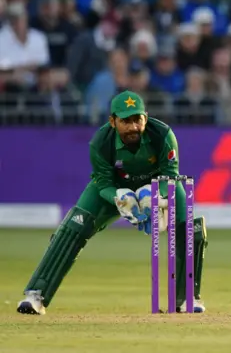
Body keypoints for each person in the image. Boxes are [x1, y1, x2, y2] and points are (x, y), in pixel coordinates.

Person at [17, 91, 208, 315]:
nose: (133, 127)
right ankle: (36, 295)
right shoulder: (101, 142)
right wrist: (120, 198)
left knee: (189, 226)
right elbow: (103, 183)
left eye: (138, 120)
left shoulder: (163, 134)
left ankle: (186, 299)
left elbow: (172, 176)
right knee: (74, 226)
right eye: (125, 121)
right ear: (112, 121)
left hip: (158, 186)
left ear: (146, 117)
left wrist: (155, 194)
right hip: (113, 189)